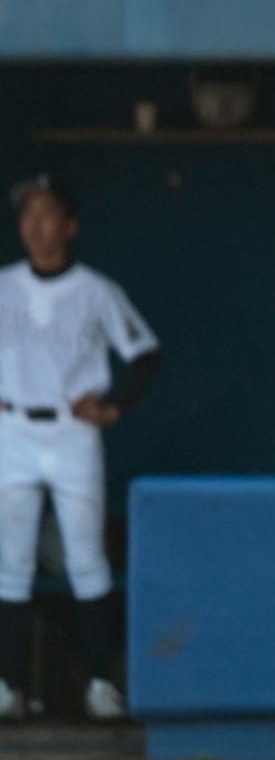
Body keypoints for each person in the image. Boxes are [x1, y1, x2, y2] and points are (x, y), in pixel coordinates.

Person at [0, 174, 163, 721]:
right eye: (28, 215)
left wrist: (113, 405)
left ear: (70, 226)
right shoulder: (4, 285)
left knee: (86, 558)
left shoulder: (96, 290)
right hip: (14, 428)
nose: (37, 226)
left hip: (73, 431)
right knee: (11, 564)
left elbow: (145, 355)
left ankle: (99, 684)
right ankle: (9, 688)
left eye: (48, 215)